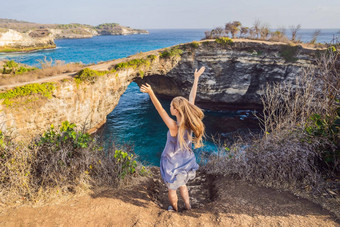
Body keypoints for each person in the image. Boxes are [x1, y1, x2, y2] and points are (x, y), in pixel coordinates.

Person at [140, 66, 206, 212]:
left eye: (171, 106)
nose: (169, 107)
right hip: (185, 162)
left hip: (171, 164)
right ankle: (188, 207)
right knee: (183, 185)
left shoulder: (174, 126)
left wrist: (151, 93)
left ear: (175, 110)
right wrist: (196, 78)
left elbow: (160, 110)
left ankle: (175, 209)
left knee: (172, 189)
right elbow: (191, 99)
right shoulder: (190, 122)